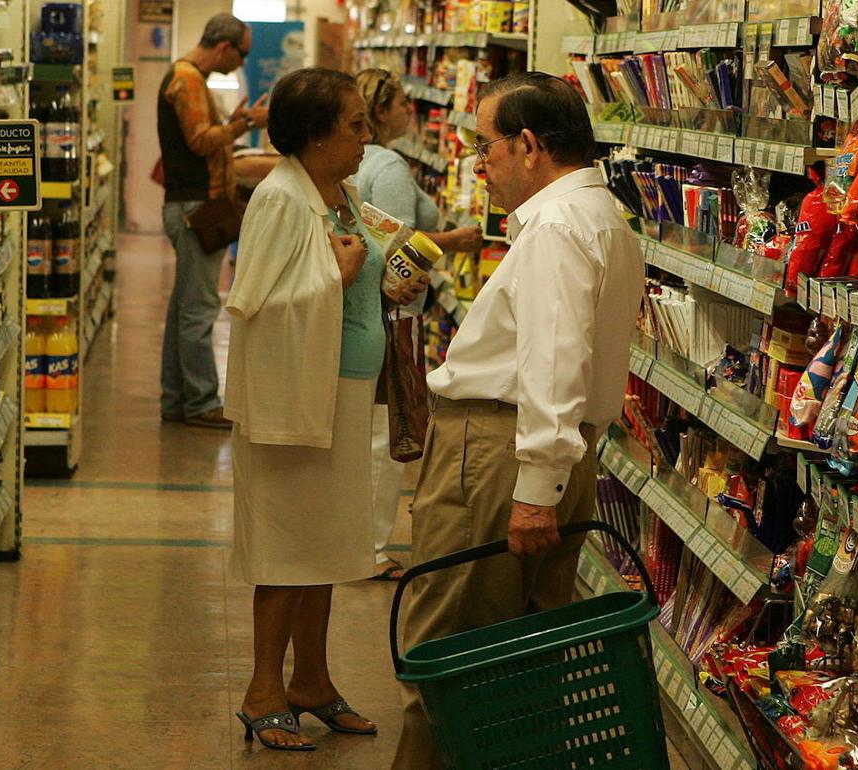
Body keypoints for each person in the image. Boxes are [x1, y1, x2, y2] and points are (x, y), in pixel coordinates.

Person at [390, 72, 645, 769]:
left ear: (529, 145)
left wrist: (533, 490)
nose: (477, 164)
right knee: (525, 653)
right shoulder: (600, 217)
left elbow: (552, 363)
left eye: (486, 146)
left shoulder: (557, 229)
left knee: (451, 653)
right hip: (553, 452)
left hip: (499, 454)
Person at [225, 67, 425, 752]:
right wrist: (332, 278)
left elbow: (352, 276)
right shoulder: (281, 198)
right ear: (314, 134)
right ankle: (262, 691)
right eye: (355, 126)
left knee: (327, 547)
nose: (367, 138)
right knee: (285, 548)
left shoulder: (334, 193)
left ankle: (310, 680)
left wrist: (381, 288)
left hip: (339, 396)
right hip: (294, 404)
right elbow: (251, 303)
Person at [352, 68, 484, 581]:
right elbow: (396, 244)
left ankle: (357, 541)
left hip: (367, 314)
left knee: (366, 430)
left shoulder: (366, 163)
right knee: (388, 436)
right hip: (392, 313)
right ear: (381, 111)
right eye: (403, 101)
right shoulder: (388, 166)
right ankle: (370, 547)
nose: (410, 109)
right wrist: (455, 240)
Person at [156, 13, 268, 429]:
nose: (241, 63)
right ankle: (201, 401)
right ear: (224, 47)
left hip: (191, 204)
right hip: (194, 208)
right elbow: (200, 141)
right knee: (199, 309)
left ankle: (176, 398)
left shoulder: (190, 77)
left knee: (184, 307)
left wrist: (233, 125)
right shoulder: (187, 78)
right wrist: (244, 125)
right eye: (242, 54)